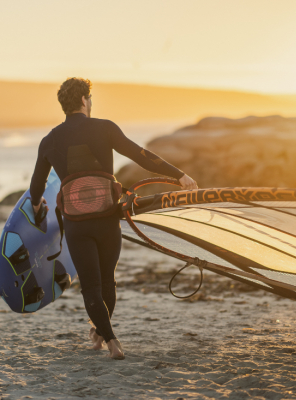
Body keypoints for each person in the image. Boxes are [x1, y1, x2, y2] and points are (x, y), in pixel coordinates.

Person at [30, 78, 197, 360]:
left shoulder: (50, 140)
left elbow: (37, 185)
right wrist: (178, 175)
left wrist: (37, 208)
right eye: (90, 99)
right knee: (108, 281)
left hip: (77, 224)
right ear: (84, 100)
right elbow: (140, 155)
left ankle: (108, 338)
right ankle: (103, 333)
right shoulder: (105, 128)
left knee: (91, 285)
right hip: (108, 217)